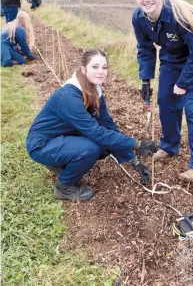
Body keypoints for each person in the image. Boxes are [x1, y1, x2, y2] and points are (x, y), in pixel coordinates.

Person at [26, 49, 159, 201]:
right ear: (83, 69)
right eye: (95, 67)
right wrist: (137, 143)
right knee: (91, 148)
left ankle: (62, 162)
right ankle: (64, 187)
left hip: (61, 137)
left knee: (105, 145)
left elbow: (108, 126)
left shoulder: (94, 90)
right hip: (41, 145)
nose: (101, 72)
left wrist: (134, 161)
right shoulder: (69, 97)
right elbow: (97, 133)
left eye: (104, 67)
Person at [132, 0, 193, 182]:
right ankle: (169, 145)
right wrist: (145, 78)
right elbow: (145, 48)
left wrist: (184, 83)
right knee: (166, 99)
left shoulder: (184, 16)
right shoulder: (139, 17)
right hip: (172, 54)